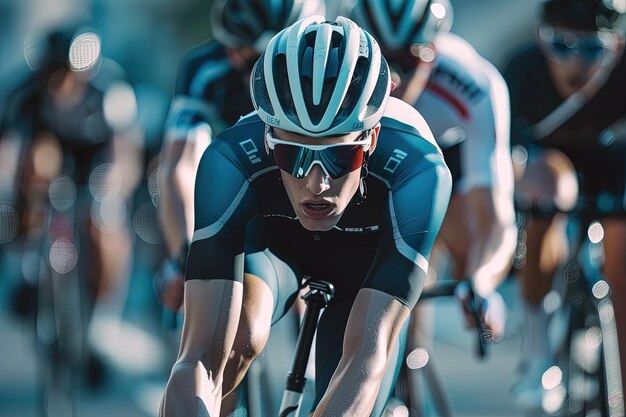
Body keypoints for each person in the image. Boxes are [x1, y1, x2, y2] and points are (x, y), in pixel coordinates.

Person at [159, 15, 452, 417]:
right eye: (291, 154)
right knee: (237, 340)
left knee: (347, 380)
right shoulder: (229, 159)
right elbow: (197, 361)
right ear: (266, 139)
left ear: (372, 139)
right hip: (276, 246)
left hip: (365, 266)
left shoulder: (418, 171)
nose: (316, 184)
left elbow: (366, 358)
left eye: (339, 154)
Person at [344, 0, 516, 346]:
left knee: (465, 245)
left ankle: (413, 364)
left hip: (444, 168)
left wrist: (481, 282)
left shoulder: (475, 84)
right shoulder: (337, 71)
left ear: (434, 51)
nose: (393, 78)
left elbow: (496, 220)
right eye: (380, 60)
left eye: (409, 62)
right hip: (361, 167)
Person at [156, 0, 325, 313]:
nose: (262, 76)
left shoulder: (325, 66)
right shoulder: (206, 69)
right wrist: (187, 256)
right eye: (247, 58)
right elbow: (178, 166)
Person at [0, 22, 142, 385]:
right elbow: (9, 154)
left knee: (106, 223)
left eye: (69, 77)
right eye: (54, 76)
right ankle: (27, 271)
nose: (61, 86)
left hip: (94, 165)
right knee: (35, 164)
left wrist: (112, 185)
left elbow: (126, 154)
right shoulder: (23, 93)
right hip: (47, 164)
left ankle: (101, 325)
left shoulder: (110, 91)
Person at [503, 0, 626, 405]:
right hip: (550, 171)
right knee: (547, 187)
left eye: (592, 50)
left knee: (621, 247)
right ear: (541, 39)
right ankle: (538, 349)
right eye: (560, 46)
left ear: (618, 45)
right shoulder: (521, 70)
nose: (575, 64)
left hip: (615, 166)